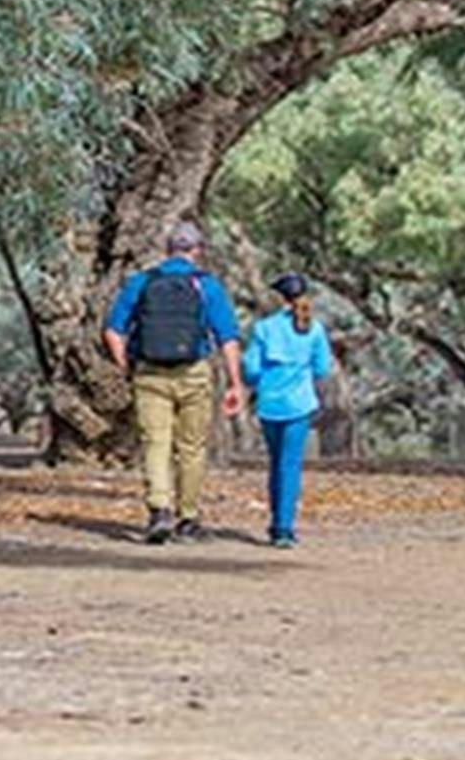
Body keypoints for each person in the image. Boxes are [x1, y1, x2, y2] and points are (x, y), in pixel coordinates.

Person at [102, 222, 243, 545]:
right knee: (191, 448)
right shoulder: (206, 285)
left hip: (150, 374)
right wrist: (236, 384)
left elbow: (113, 330)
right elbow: (228, 338)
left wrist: (128, 365)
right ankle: (188, 518)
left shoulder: (141, 282)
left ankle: (159, 511)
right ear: (197, 250)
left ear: (168, 248)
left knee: (156, 444)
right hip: (194, 373)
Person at [243, 272, 334, 549]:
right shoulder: (314, 329)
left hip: (270, 404)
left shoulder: (264, 328)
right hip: (300, 405)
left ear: (278, 297)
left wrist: (261, 382)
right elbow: (322, 368)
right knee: (290, 465)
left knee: (275, 463)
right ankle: (284, 527)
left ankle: (276, 524)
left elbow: (250, 369)